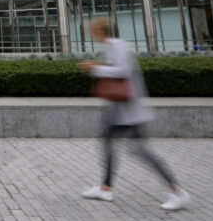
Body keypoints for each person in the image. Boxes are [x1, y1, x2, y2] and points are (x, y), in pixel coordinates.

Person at [77, 17, 190, 211]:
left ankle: (176, 191)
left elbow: (123, 71)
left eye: (93, 31)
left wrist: (95, 68)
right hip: (120, 110)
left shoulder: (119, 46)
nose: (92, 34)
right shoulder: (111, 47)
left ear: (101, 31)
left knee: (139, 150)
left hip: (129, 110)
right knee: (108, 142)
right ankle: (106, 187)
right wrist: (98, 68)